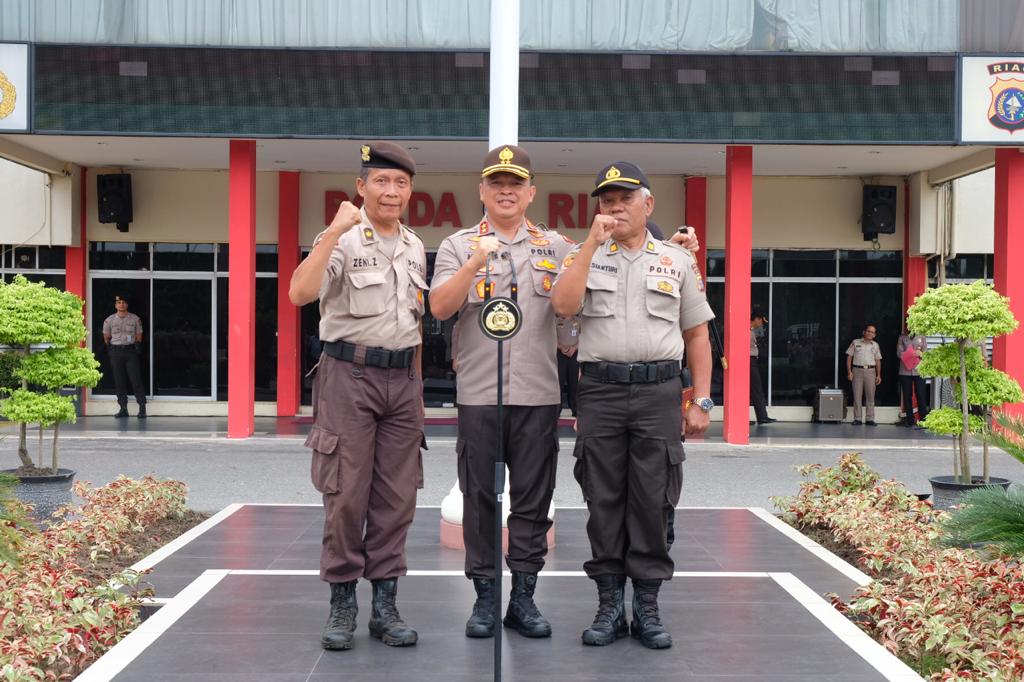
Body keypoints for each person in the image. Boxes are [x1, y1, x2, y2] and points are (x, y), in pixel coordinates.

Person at [551, 161, 714, 650]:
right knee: (602, 499)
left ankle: (646, 607)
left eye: (625, 198)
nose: (615, 207)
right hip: (599, 389)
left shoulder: (676, 261)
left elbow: (698, 334)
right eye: (607, 200)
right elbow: (562, 306)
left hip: (658, 390)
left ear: (649, 204)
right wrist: (589, 246)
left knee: (652, 496)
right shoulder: (586, 255)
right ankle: (608, 606)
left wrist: (701, 399)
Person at [429, 144, 576, 640]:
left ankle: (525, 599)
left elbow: (578, 303)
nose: (506, 191)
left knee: (533, 500)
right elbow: (441, 308)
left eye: (516, 183)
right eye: (497, 183)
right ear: (482, 191)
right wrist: (475, 263)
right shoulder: (456, 245)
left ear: (531, 192)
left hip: (537, 393)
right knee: (480, 499)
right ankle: (486, 598)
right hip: (478, 394)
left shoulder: (557, 247)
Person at [289, 142, 426, 652]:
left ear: (409, 191)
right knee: (346, 494)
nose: (392, 191)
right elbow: (300, 293)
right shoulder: (343, 239)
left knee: (397, 497)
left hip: (402, 382)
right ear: (362, 187)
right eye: (382, 182)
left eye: (401, 183)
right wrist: (333, 231)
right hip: (349, 375)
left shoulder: (413, 245)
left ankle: (385, 605)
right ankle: (342, 601)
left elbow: (413, 322)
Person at [102, 295, 146, 419]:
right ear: (116, 305)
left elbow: (139, 335)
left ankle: (142, 408)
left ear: (127, 305)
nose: (121, 305)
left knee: (135, 379)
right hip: (116, 353)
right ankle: (123, 408)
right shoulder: (109, 320)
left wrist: (136, 346)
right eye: (119, 302)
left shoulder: (134, 319)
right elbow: (106, 337)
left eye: (124, 302)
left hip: (130, 352)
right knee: (119, 381)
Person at [846, 324, 882, 425]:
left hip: (871, 371)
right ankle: (857, 418)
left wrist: (878, 375)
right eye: (868, 331)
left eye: (872, 332)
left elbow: (878, 360)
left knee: (870, 396)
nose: (870, 333)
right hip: (857, 371)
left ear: (874, 335)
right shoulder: (855, 342)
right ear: (864, 332)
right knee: (857, 395)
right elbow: (849, 357)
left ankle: (870, 419)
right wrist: (849, 371)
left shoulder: (875, 345)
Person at [897, 328, 930, 428]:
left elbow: (926, 353)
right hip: (905, 371)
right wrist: (909, 353)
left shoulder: (922, 337)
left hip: (919, 370)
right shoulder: (902, 338)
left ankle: (923, 420)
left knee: (920, 394)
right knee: (907, 395)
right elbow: (899, 353)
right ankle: (910, 420)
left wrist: (920, 354)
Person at [749, 308, 774, 425]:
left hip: (751, 360)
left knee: (755, 389)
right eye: (761, 321)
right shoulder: (746, 329)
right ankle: (761, 416)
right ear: (757, 319)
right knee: (755, 388)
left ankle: (762, 416)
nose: (761, 324)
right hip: (748, 360)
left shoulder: (751, 329)